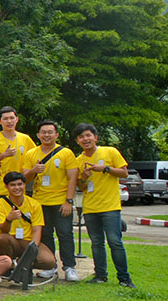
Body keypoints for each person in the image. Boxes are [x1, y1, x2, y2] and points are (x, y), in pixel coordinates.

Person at [72, 123, 132, 287]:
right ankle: (100, 275)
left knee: (115, 242)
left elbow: (124, 172)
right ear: (77, 141)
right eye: (81, 137)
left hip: (110, 207)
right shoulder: (78, 161)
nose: (85, 139)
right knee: (96, 243)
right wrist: (84, 177)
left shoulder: (110, 151)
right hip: (90, 207)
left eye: (88, 135)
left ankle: (124, 278)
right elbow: (81, 186)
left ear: (95, 137)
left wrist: (105, 168)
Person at [23, 120, 78, 282]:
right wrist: (34, 170)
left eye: (50, 132)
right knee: (46, 235)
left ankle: (69, 267)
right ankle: (51, 267)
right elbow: (24, 178)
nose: (47, 135)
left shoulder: (66, 153)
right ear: (38, 135)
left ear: (56, 135)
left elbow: (73, 177)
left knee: (65, 234)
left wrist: (69, 201)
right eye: (43, 132)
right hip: (40, 201)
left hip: (61, 201)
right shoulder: (31, 154)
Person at [0, 171, 57, 284]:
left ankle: (22, 265)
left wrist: (32, 250)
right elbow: (3, 230)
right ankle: (8, 267)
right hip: (11, 240)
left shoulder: (34, 204)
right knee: (1, 239)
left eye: (20, 184)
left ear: (24, 185)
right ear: (6, 186)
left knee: (49, 261)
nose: (17, 188)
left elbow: (37, 230)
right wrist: (9, 219)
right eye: (13, 185)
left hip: (28, 241)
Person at [0, 106, 35, 198]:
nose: (9, 121)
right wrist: (3, 155)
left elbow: (35, 157)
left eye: (12, 118)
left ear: (17, 119)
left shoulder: (25, 138)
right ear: (0, 121)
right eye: (5, 119)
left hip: (19, 188)